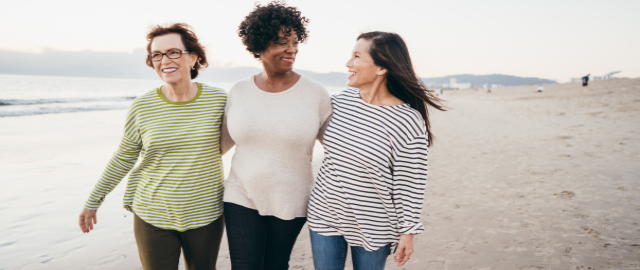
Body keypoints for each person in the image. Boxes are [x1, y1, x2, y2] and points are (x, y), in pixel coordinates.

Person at [78, 23, 227, 270]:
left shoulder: (219, 100)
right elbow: (123, 157)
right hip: (152, 213)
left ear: (194, 58)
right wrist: (93, 201)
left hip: (206, 214)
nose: (164, 60)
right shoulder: (142, 107)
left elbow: (248, 135)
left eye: (173, 52)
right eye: (156, 55)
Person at [307, 31, 445, 270]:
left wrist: (408, 231)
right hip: (325, 213)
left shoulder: (407, 120)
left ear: (381, 68)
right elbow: (305, 127)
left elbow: (410, 181)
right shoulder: (340, 102)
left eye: (357, 56)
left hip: (374, 223)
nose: (348, 63)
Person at [220, 1, 333, 269]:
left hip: (291, 197)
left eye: (295, 42)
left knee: (275, 264)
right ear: (259, 45)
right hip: (241, 192)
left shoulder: (315, 93)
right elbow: (219, 145)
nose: (291, 49)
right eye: (282, 42)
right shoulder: (238, 91)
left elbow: (339, 148)